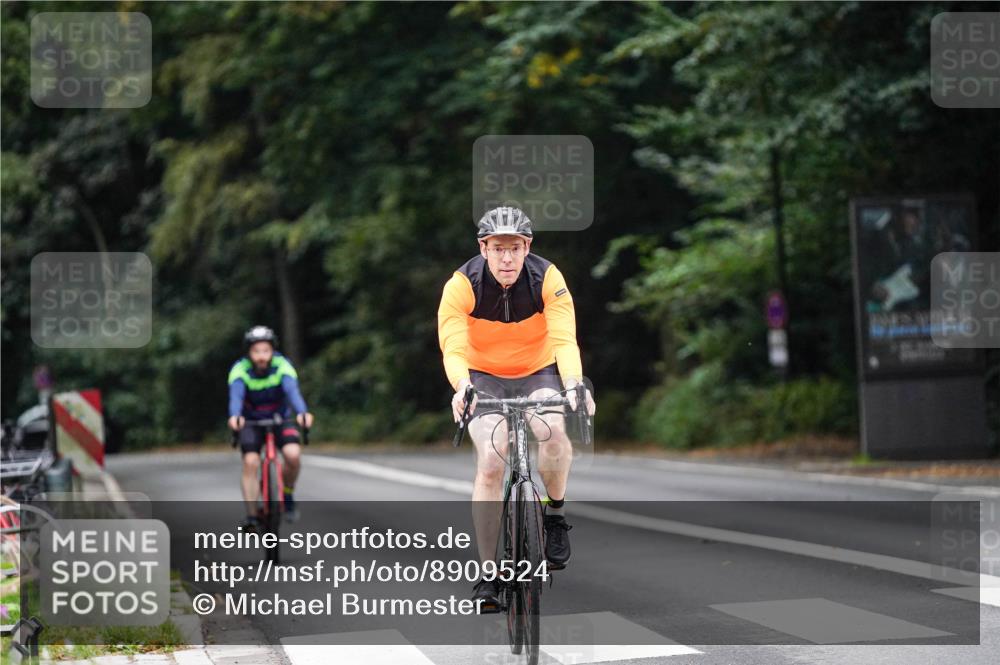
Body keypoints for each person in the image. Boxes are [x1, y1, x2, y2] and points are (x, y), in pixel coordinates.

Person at [437, 205, 596, 612]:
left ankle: (554, 515)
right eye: (498, 249)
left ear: (527, 247)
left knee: (553, 433)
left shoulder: (548, 278)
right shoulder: (462, 285)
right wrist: (462, 386)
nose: (506, 258)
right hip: (482, 376)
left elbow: (564, 339)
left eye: (514, 248)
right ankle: (488, 574)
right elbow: (453, 345)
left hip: (537, 372)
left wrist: (574, 384)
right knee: (491, 462)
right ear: (483, 249)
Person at [227, 325, 314, 528]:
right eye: (256, 351)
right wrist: (235, 416)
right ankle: (251, 516)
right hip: (251, 421)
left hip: (280, 419)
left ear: (272, 351)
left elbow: (292, 391)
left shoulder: (283, 365)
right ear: (249, 353)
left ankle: (287, 493)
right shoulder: (239, 369)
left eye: (266, 351)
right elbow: (236, 396)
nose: (261, 356)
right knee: (251, 462)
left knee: (293, 455)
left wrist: (302, 412)